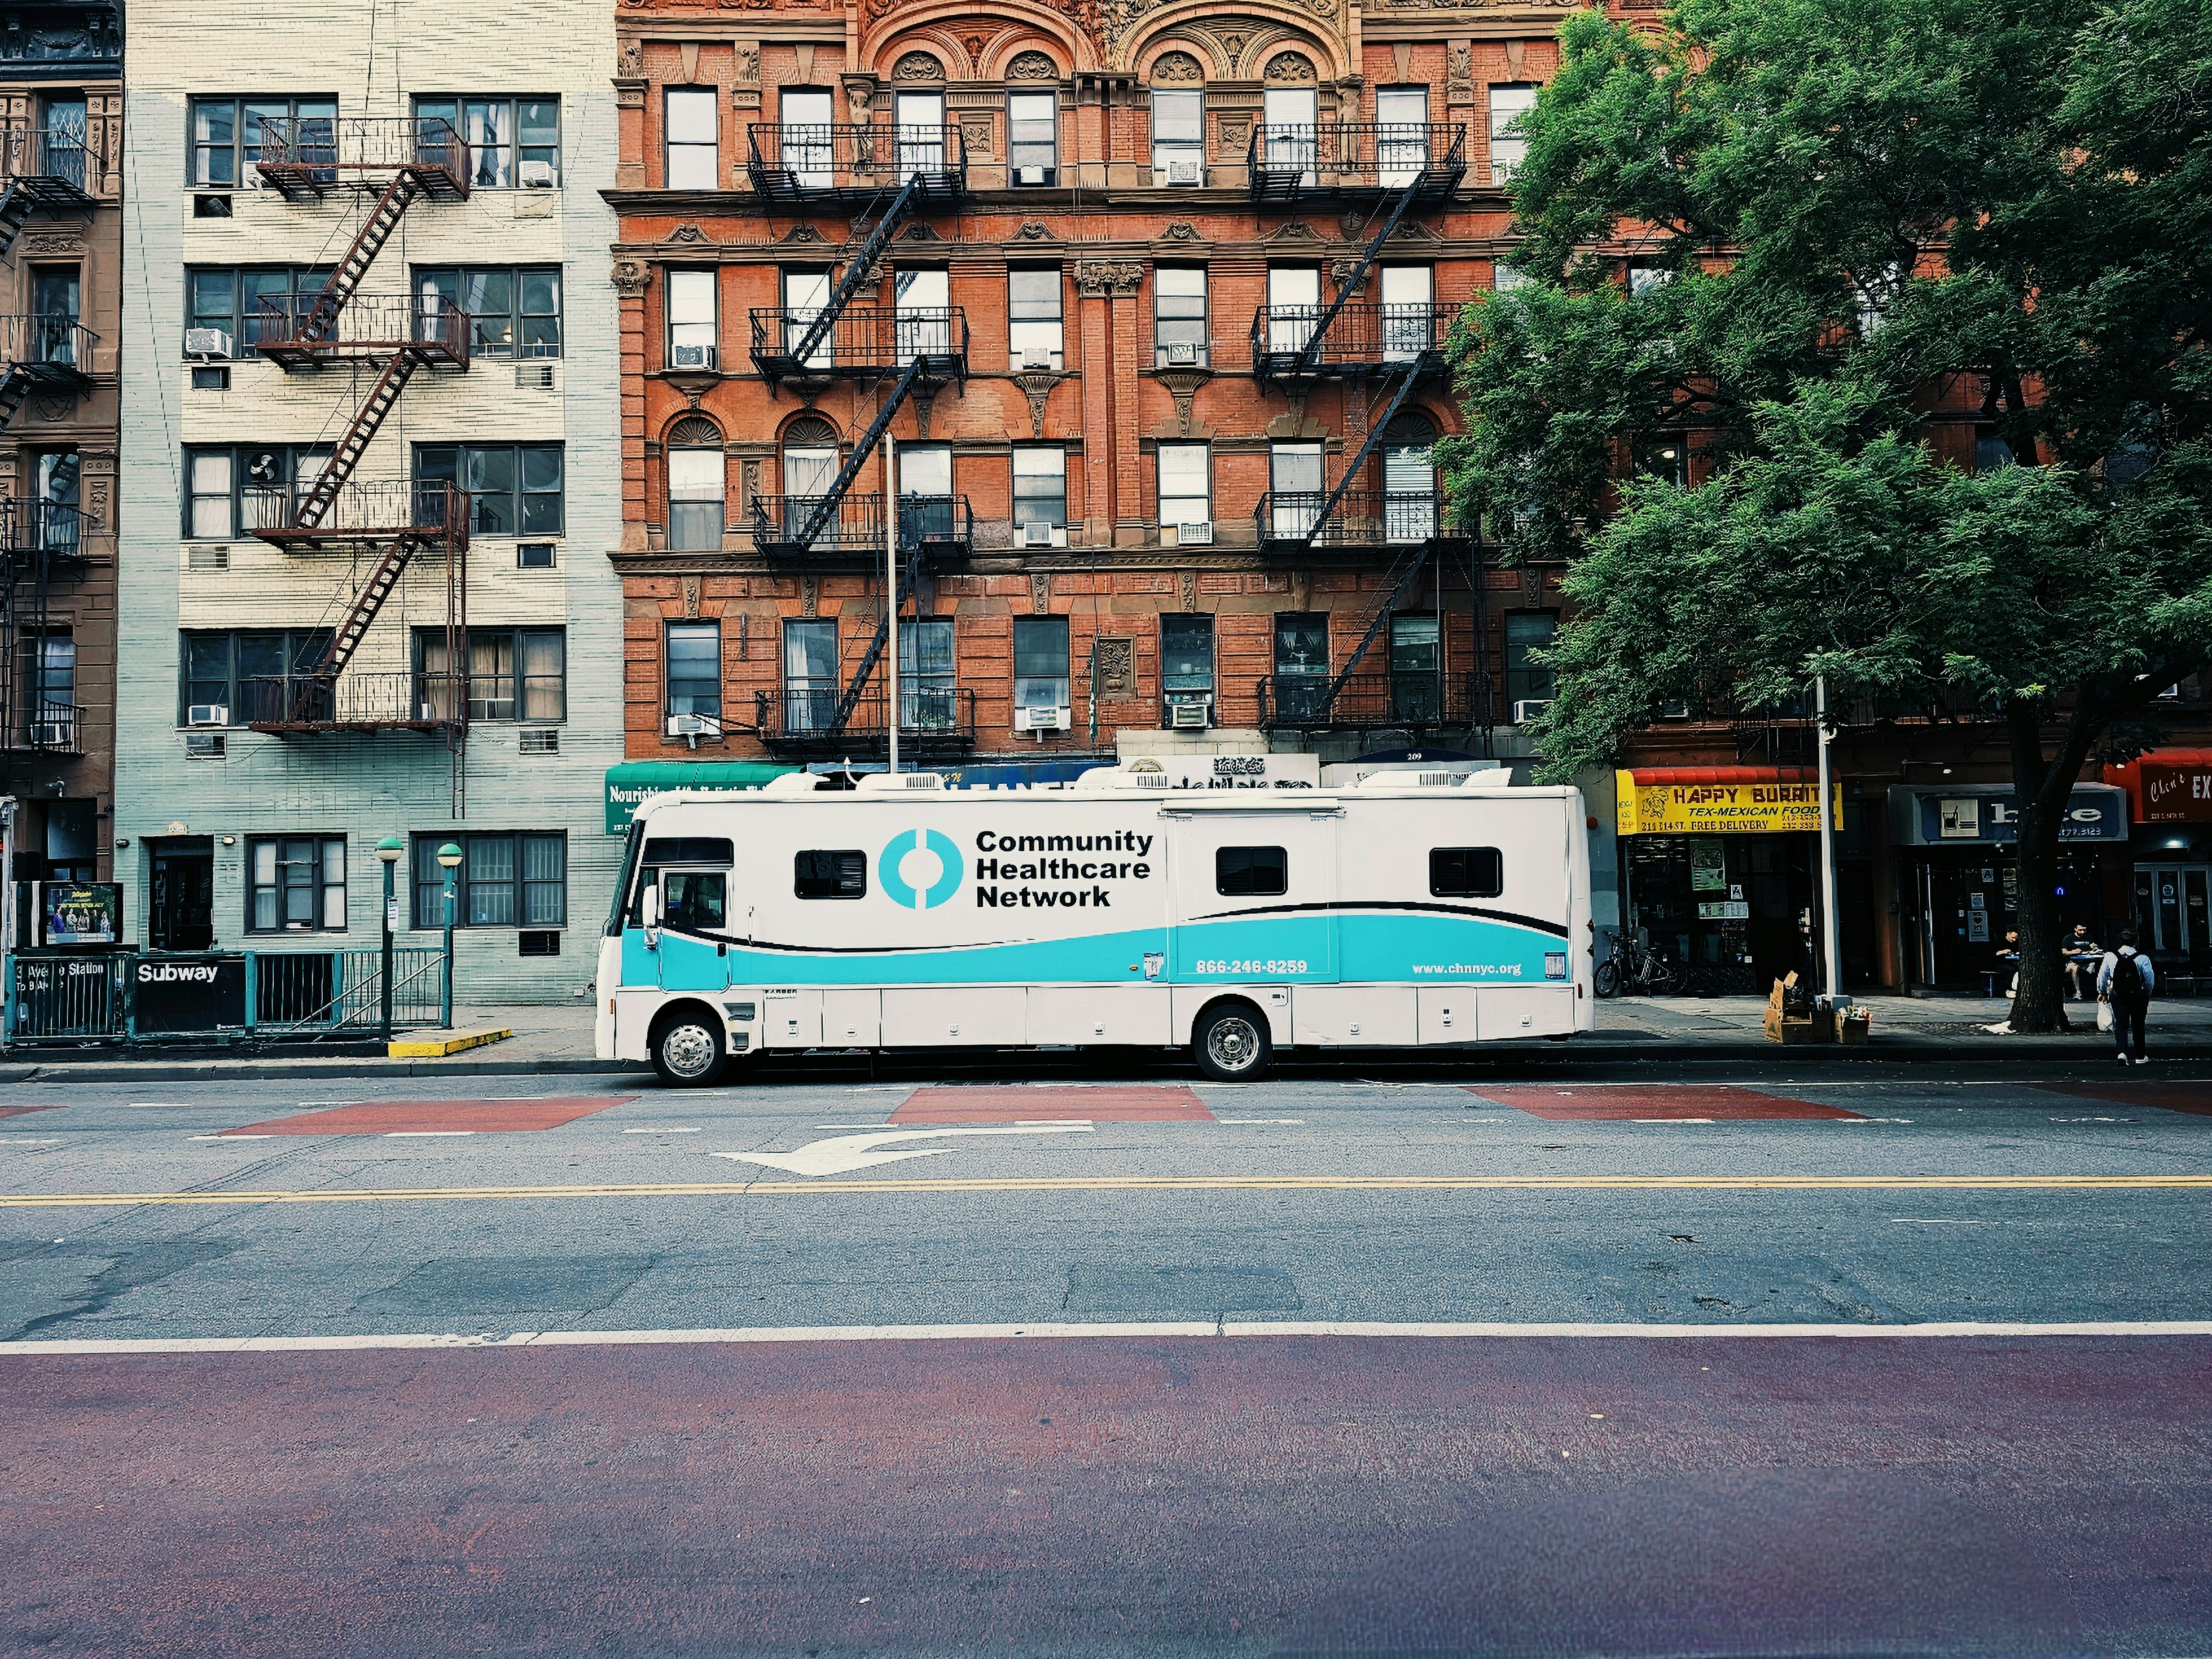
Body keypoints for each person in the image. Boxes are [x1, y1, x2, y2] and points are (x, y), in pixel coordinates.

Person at [2098, 928, 2156, 1065]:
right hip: (2137, 995)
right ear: (2135, 942)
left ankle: (2122, 1053)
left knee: (2121, 1025)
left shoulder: (2111, 957)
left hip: (2118, 995)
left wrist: (2102, 993)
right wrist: (2147, 993)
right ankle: (2140, 1056)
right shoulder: (2142, 958)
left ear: (2120, 941)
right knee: (2138, 1025)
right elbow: (2149, 979)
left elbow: (2102, 977)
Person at [2063, 923, 2103, 1000]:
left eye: (2084, 930)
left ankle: (2096, 991)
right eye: (2080, 930)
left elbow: (2094, 945)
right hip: (2073, 962)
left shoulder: (2088, 938)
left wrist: (2095, 948)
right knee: (2075, 968)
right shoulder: (2069, 939)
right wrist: (2073, 952)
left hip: (2087, 961)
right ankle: (2078, 993)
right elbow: (2064, 952)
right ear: (2076, 929)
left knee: (2094, 966)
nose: (2083, 932)